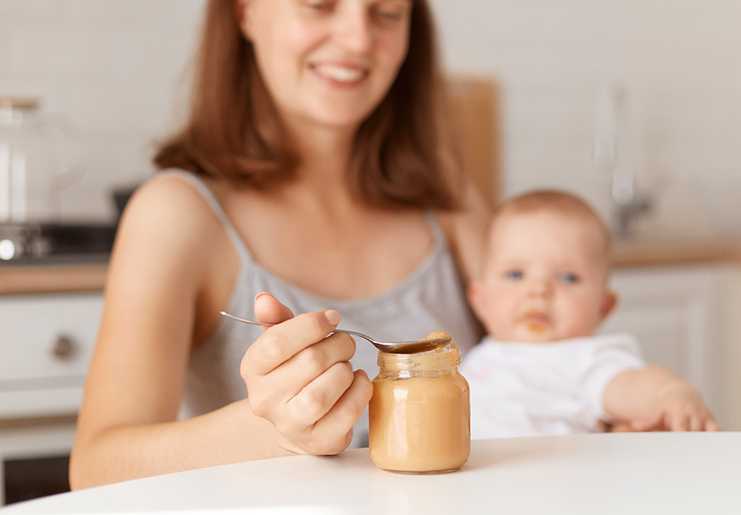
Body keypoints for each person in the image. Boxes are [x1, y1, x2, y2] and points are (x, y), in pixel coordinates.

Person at [69, 0, 489, 488]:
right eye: (319, 5)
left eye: (388, 12)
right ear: (244, 13)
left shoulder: (449, 200)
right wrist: (272, 430)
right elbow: (95, 469)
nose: (357, 39)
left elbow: (550, 365)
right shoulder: (177, 215)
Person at [462, 190, 718, 439]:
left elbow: (629, 385)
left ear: (603, 307)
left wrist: (669, 394)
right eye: (515, 275)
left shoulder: (585, 358)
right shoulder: (476, 359)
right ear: (479, 299)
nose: (539, 290)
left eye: (567, 278)